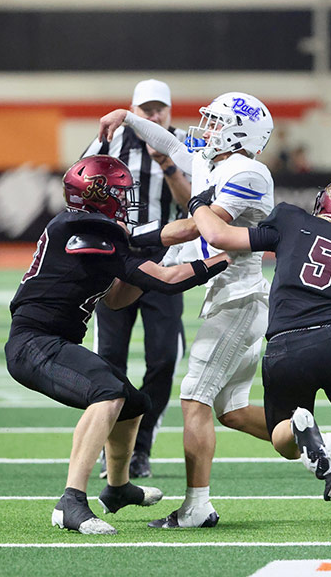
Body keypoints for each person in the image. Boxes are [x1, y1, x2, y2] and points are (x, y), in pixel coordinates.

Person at [4, 155, 229, 535]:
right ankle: (70, 501)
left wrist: (155, 254)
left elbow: (116, 298)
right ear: (98, 194)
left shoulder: (87, 229)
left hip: (52, 340)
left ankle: (118, 488)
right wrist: (221, 260)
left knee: (133, 402)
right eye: (120, 192)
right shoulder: (83, 229)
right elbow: (166, 281)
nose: (126, 199)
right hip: (34, 343)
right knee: (107, 393)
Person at [187, 176, 331, 536]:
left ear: (325, 201)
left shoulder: (290, 219)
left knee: (282, 438)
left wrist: (198, 204)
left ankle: (302, 427)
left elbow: (218, 236)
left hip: (284, 345)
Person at [98, 92, 275, 528]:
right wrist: (127, 118)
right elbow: (171, 144)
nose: (207, 129)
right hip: (227, 296)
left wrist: (137, 238)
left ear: (239, 133)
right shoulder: (218, 163)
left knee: (194, 396)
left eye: (217, 122)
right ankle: (316, 443)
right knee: (232, 410)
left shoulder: (247, 171)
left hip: (240, 297)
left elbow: (203, 227)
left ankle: (197, 506)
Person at [82, 79, 191, 479]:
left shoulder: (183, 144)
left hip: (165, 259)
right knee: (109, 358)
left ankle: (141, 447)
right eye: (147, 109)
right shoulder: (109, 141)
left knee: (164, 357)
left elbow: (195, 204)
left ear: (169, 111)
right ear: (133, 109)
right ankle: (110, 446)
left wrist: (167, 164)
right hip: (117, 258)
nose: (154, 115)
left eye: (160, 108)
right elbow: (80, 187)